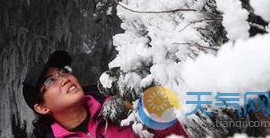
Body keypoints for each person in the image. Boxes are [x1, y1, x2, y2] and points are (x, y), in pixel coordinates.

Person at [21, 50, 188, 138]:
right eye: (50, 81)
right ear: (42, 108)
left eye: (63, 72)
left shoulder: (123, 105)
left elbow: (172, 133)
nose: (64, 79)